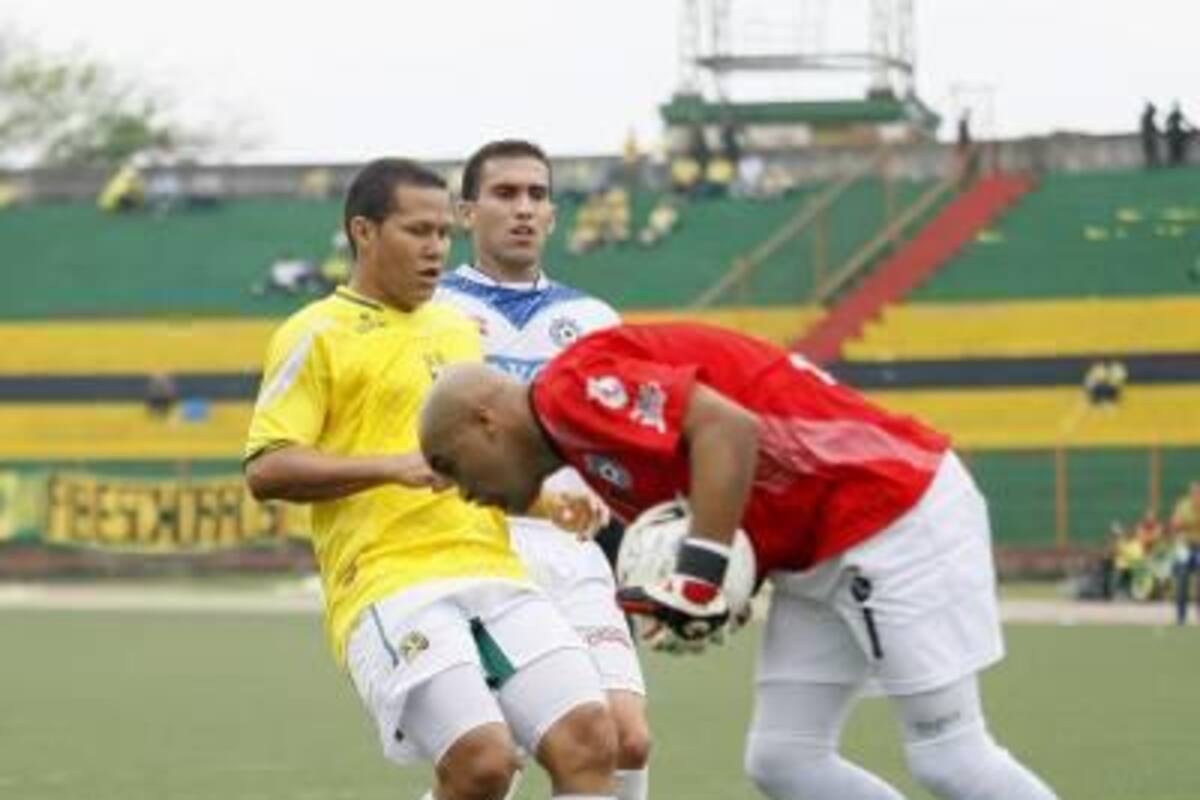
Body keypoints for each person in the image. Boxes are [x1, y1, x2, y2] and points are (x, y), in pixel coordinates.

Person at [419, 322, 1059, 800]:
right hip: (816, 552)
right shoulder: (582, 448)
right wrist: (727, 580)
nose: (462, 490)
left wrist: (702, 568)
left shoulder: (568, 390)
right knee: (786, 759)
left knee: (950, 755)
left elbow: (730, 430)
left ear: (486, 421)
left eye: (451, 465)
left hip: (889, 511)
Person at [243, 157, 617, 800]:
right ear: (364, 232)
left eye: (444, 233)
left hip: (495, 567)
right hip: (390, 581)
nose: (437, 249)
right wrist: (392, 466)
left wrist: (542, 498)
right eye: (419, 232)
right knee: (483, 765)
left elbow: (483, 463)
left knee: (592, 743)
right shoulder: (313, 333)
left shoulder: (455, 330)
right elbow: (266, 468)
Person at [435, 139, 652, 800]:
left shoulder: (592, 321)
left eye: (536, 195)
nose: (523, 208)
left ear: (554, 215)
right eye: (504, 194)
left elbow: (619, 449)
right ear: (468, 212)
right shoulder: (432, 313)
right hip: (477, 554)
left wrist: (642, 552)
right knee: (494, 765)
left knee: (627, 740)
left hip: (577, 550)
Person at [1169, 481, 1200, 624]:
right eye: (1195, 493)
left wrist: (1186, 525)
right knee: (1182, 578)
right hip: (1184, 546)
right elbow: (1175, 525)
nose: (1197, 496)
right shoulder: (1183, 505)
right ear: (1191, 494)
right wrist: (1182, 525)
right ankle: (1181, 617)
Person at [1140, 102, 1161, 168]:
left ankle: (1152, 164)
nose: (1154, 113)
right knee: (1151, 151)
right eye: (1153, 111)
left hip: (1147, 137)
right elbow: (1152, 127)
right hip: (1148, 137)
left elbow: (1153, 127)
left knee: (1151, 151)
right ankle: (1151, 164)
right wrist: (1158, 132)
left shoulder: (1147, 117)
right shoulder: (1147, 117)